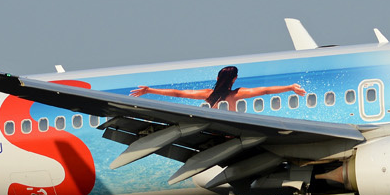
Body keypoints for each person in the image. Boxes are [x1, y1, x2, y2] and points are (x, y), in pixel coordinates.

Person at [130, 65, 306, 108]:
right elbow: (266, 90)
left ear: (217, 78)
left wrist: (149, 90)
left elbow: (179, 93)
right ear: (235, 79)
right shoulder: (237, 94)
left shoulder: (207, 94)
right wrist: (290, 87)